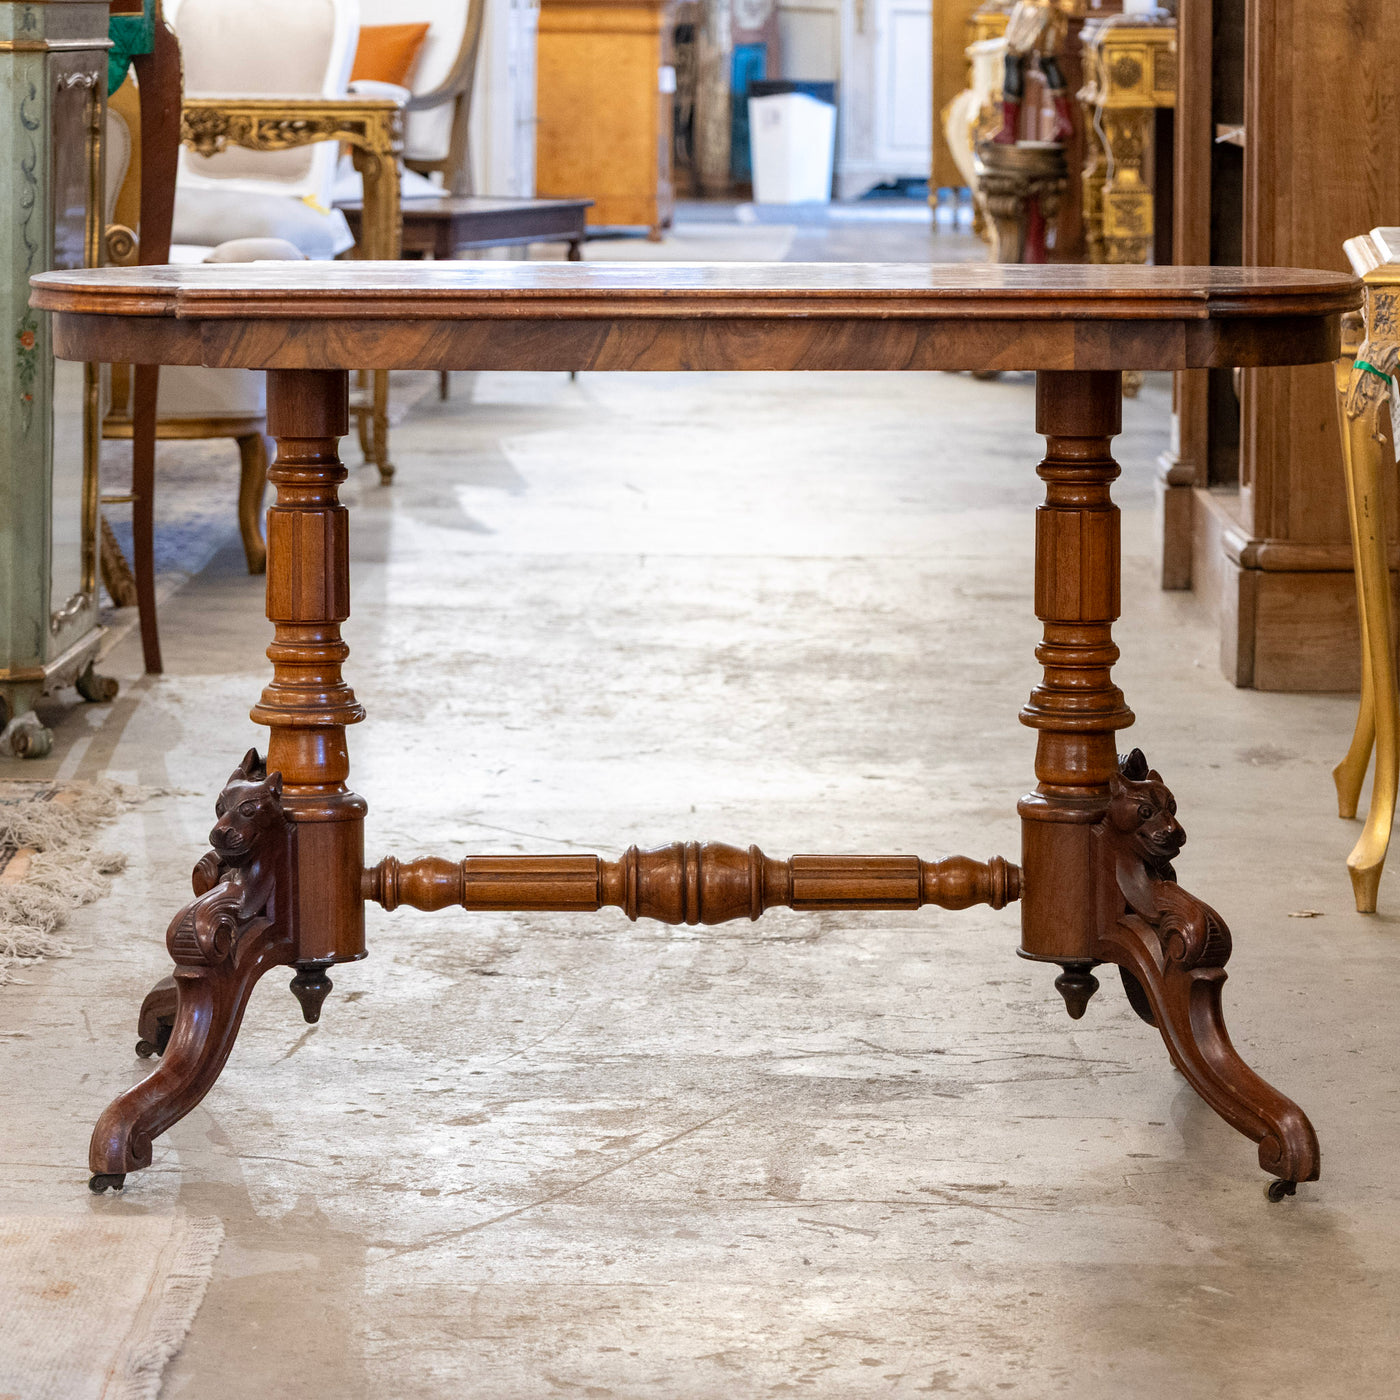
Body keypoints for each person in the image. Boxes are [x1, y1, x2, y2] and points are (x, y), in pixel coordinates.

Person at [995, 0, 1075, 145]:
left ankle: (1009, 130)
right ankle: (1065, 120)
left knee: (1013, 57)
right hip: (1059, 6)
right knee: (1048, 59)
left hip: (1033, 7)